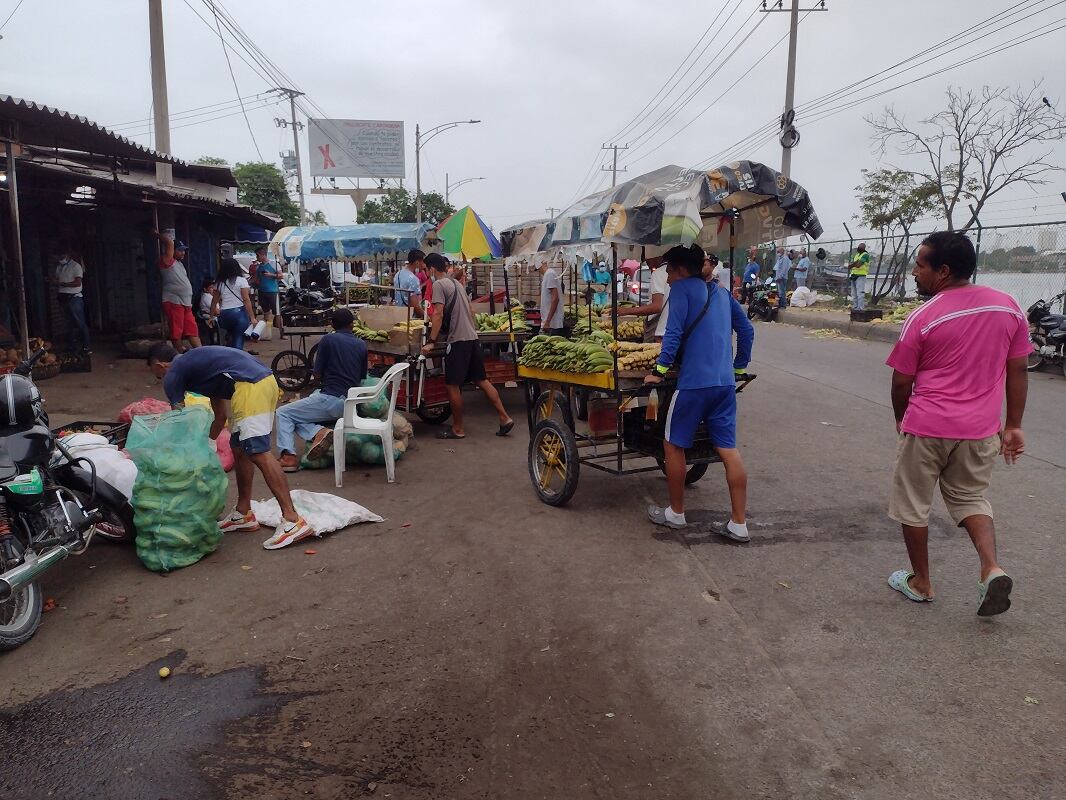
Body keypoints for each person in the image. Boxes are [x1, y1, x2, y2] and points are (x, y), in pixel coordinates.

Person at [885, 232, 1031, 616]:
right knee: (970, 498)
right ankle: (991, 567)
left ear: (943, 271)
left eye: (920, 265)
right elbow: (1017, 369)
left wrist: (903, 420)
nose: (915, 272)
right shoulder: (1009, 307)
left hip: (928, 425)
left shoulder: (923, 315)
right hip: (981, 429)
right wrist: (1013, 424)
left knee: (913, 505)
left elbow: (902, 381)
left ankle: (922, 582)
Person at [147, 343, 314, 550]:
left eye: (156, 374)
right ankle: (243, 514)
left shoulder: (175, 372)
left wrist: (181, 455)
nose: (159, 379)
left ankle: (292, 520)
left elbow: (180, 421)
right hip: (262, 383)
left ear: (160, 365)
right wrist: (206, 446)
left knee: (258, 451)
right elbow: (220, 418)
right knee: (240, 448)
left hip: (251, 387)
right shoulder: (200, 367)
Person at [645, 243, 754, 541]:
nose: (666, 279)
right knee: (729, 450)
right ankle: (738, 523)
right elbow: (746, 330)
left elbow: (674, 334)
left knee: (673, 445)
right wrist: (738, 366)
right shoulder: (722, 293)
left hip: (694, 385)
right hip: (724, 385)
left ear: (680, 269)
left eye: (668, 271)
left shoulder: (681, 291)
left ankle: (676, 514)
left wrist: (659, 371)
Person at [422, 253, 513, 440]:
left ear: (431, 268)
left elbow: (437, 314)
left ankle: (458, 429)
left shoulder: (439, 285)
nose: (426, 273)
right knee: (481, 380)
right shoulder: (457, 284)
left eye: (426, 269)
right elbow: (471, 311)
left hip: (458, 341)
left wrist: (431, 342)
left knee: (452, 384)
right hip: (472, 338)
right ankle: (505, 417)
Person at [275, 308, 368, 472]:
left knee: (283, 413)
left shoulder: (327, 340)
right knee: (297, 416)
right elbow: (361, 376)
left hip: (330, 399)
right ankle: (319, 432)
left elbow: (317, 374)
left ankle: (288, 457)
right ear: (352, 325)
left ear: (332, 324)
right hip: (348, 405)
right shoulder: (361, 344)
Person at [154, 232, 201, 352]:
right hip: (174, 301)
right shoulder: (167, 260)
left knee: (191, 328)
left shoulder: (178, 264)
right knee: (176, 330)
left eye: (183, 250)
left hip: (185, 303)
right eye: (180, 250)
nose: (183, 253)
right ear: (172, 251)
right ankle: (180, 353)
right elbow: (169, 242)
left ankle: (200, 352)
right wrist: (157, 234)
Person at [616, 255, 668, 342]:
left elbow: (657, 306)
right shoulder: (671, 271)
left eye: (647, 258)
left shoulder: (659, 273)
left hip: (658, 327)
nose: (646, 262)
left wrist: (625, 311)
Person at [50, 249, 90, 354]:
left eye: (60, 256)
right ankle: (71, 347)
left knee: (80, 323)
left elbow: (77, 283)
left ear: (66, 254)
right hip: (63, 298)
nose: (59, 259)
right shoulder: (59, 267)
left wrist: (62, 283)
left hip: (74, 298)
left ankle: (86, 347)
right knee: (69, 324)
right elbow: (56, 279)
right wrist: (54, 282)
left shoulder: (76, 266)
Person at [212, 257, 257, 350]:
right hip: (239, 314)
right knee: (238, 338)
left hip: (224, 315)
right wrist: (252, 318)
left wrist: (211, 316)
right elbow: (246, 299)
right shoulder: (241, 280)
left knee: (230, 337)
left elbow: (214, 301)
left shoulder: (219, 282)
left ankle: (229, 356)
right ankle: (237, 358)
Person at [253, 247, 283, 335]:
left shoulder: (274, 264)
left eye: (257, 255)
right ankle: (267, 333)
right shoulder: (259, 266)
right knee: (266, 312)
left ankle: (282, 333)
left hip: (273, 292)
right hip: (262, 292)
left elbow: (281, 276)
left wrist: (271, 274)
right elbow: (256, 279)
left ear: (263, 255)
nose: (256, 257)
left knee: (277, 313)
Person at [394, 249, 425, 318]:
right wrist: (426, 316)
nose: (424, 266)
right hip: (409, 319)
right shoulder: (413, 279)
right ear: (417, 263)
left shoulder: (398, 274)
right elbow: (415, 306)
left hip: (398, 315)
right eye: (423, 263)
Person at [539, 258, 565, 335]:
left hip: (552, 324)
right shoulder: (547, 275)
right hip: (549, 323)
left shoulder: (549, 274)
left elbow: (555, 299)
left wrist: (548, 321)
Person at [197, 278, 219, 345]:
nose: (213, 289)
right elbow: (216, 311)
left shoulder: (211, 296)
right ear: (205, 289)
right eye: (211, 288)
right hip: (210, 318)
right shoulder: (207, 297)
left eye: (213, 287)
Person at [849, 243, 871, 311]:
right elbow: (854, 263)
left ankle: (860, 308)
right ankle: (855, 307)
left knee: (860, 293)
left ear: (864, 248)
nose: (859, 248)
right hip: (853, 275)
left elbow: (858, 265)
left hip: (861, 276)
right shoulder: (857, 255)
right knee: (854, 293)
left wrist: (853, 264)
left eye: (861, 247)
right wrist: (854, 263)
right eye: (859, 247)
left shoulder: (865, 255)